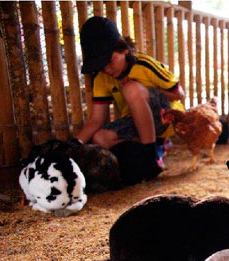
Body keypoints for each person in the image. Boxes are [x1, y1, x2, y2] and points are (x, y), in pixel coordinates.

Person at [74, 16, 185, 174]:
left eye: (109, 61)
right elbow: (96, 119)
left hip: (164, 117)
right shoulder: (101, 78)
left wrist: (145, 90)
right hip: (136, 122)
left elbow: (179, 94)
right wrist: (74, 143)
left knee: (130, 88)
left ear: (123, 49)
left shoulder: (144, 64)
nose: (106, 69)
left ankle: (151, 157)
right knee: (100, 138)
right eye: (100, 65)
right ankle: (159, 146)